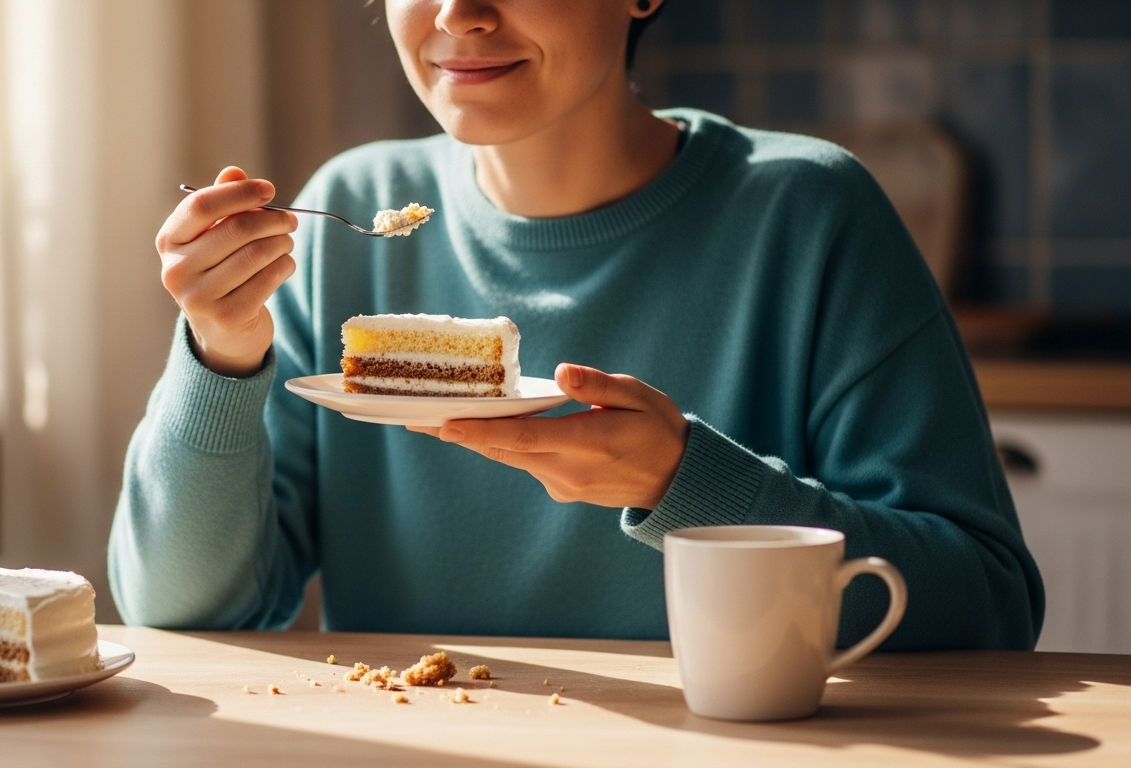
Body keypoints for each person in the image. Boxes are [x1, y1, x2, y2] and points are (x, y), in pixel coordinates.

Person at [108, 0, 1043, 649]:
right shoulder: (355, 209)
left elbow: (990, 603)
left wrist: (690, 483)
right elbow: (184, 613)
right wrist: (222, 354)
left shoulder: (808, 216)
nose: (460, 14)